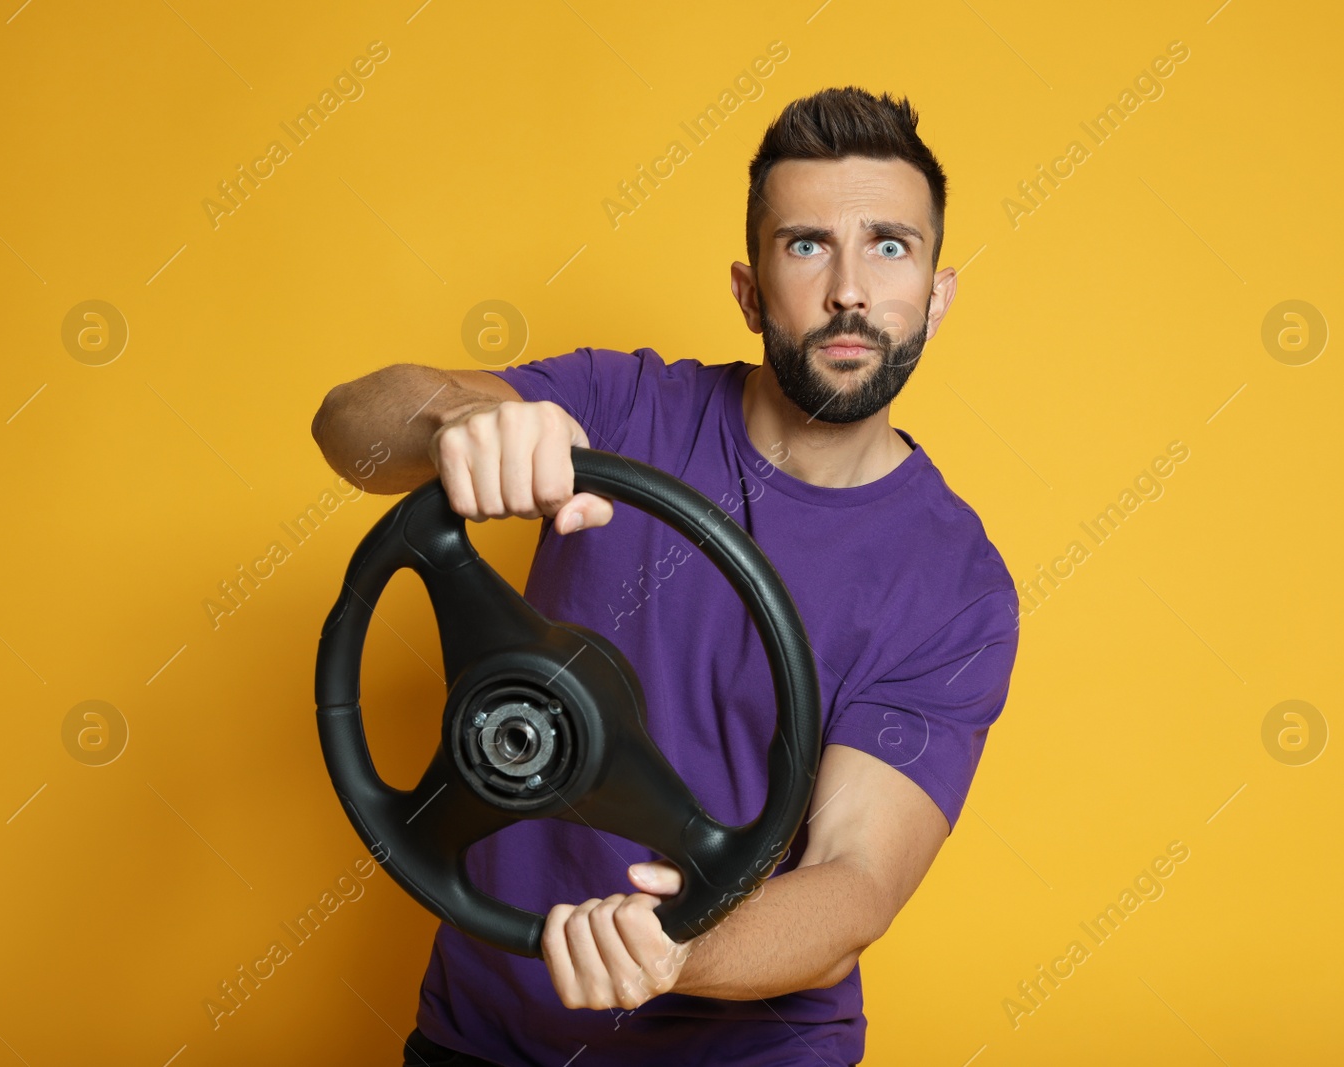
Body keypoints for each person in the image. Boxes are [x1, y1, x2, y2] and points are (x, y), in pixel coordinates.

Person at [311, 85, 1020, 1067]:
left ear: (936, 294)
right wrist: (454, 423)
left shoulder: (955, 583)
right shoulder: (624, 404)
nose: (849, 290)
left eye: (890, 247)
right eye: (807, 244)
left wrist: (672, 950)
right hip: (484, 1037)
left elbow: (854, 881)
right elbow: (349, 426)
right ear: (748, 287)